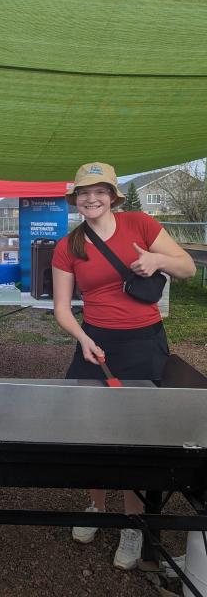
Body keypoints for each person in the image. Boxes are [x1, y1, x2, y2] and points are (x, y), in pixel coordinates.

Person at [52, 162, 196, 570]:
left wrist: (156, 260)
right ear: (76, 199)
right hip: (95, 341)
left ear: (113, 195)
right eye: (84, 192)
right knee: (88, 432)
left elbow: (186, 266)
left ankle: (133, 523)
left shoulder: (141, 223)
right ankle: (97, 507)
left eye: (99, 191)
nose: (91, 198)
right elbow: (63, 308)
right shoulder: (70, 245)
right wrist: (82, 339)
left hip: (145, 343)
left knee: (138, 437)